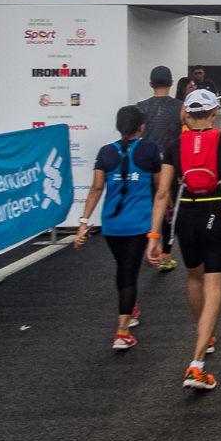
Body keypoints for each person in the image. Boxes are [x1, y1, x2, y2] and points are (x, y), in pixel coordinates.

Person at [146, 89, 221, 390]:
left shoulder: (173, 145)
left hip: (185, 218)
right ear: (212, 113)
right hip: (214, 212)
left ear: (187, 114)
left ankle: (204, 337)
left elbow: (163, 194)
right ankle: (196, 365)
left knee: (194, 279)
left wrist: (155, 236)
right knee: (215, 287)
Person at [74, 106, 162, 349]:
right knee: (129, 272)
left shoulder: (105, 152)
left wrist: (83, 223)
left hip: (112, 225)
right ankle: (122, 332)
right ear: (141, 127)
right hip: (139, 224)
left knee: (124, 268)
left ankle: (130, 309)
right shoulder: (150, 149)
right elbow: (159, 187)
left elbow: (96, 188)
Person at [138, 66, 184, 272]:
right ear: (172, 83)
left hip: (147, 164)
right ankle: (165, 254)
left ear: (150, 84)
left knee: (149, 207)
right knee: (168, 209)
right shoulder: (181, 107)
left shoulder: (140, 107)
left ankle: (147, 248)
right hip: (171, 164)